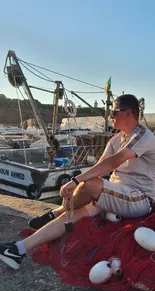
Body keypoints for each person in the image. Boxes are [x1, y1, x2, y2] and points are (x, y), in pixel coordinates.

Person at [0, 94, 155, 271]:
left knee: (89, 185)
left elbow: (113, 162)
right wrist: (77, 185)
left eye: (114, 112)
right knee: (73, 213)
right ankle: (17, 250)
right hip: (115, 194)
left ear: (128, 113)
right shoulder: (116, 139)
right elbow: (100, 166)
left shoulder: (144, 136)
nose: (110, 116)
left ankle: (58, 209)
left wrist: (75, 181)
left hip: (139, 198)